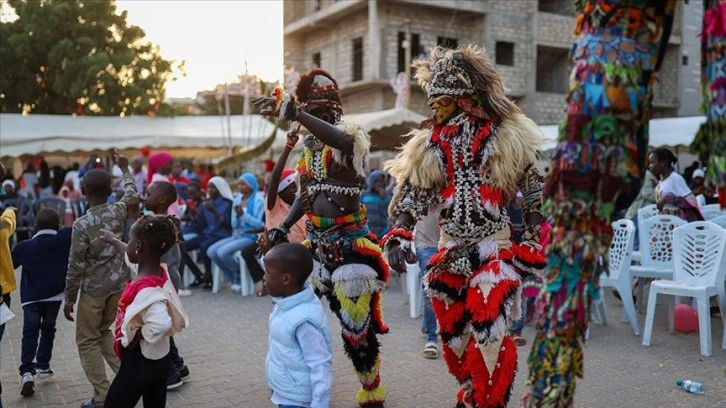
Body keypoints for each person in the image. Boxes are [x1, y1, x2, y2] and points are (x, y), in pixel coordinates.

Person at [383, 45, 546, 407]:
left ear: (464, 100)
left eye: (440, 101)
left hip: (495, 248)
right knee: (454, 339)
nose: (433, 108)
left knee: (490, 331)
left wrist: (532, 239)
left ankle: (491, 401)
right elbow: (412, 195)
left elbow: (533, 190)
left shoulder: (505, 136)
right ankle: (472, 392)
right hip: (449, 250)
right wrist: (399, 232)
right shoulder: (430, 144)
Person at [253, 68, 389, 407]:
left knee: (356, 329)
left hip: (350, 249)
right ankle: (290, 379)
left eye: (323, 114)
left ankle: (370, 388)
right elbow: (306, 193)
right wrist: (283, 227)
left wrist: (296, 112)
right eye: (312, 113)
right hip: (314, 246)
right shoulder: (309, 152)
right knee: (289, 310)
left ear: (336, 114)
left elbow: (340, 140)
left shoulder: (351, 141)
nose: (318, 120)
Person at [63, 151, 138, 408]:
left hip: (93, 291)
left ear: (83, 190)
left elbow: (76, 265)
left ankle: (103, 395)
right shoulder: (119, 210)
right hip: (118, 286)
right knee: (106, 333)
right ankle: (126, 383)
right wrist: (125, 169)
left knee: (87, 340)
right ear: (110, 190)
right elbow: (132, 194)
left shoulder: (82, 225)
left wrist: (69, 298)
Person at [101, 215, 188, 408]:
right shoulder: (156, 271)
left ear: (139, 246)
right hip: (161, 361)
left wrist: (135, 334)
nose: (128, 244)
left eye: (130, 240)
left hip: (140, 363)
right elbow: (131, 257)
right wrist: (114, 241)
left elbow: (160, 323)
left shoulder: (147, 289)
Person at [263, 243, 333, 408]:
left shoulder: (304, 320)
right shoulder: (287, 303)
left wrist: (320, 404)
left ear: (286, 279)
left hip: (298, 401)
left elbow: (320, 363)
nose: (264, 277)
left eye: (267, 272)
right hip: (287, 391)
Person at [12, 208, 71, 396]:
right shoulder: (64, 238)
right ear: (59, 225)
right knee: (48, 329)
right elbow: (76, 228)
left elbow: (10, 263)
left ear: (36, 226)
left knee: (29, 332)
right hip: (54, 297)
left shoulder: (24, 247)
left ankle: (27, 371)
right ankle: (43, 365)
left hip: (30, 298)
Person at [142, 181, 192, 387]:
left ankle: (170, 374)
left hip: (162, 281)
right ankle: (178, 365)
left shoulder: (157, 226)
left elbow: (141, 249)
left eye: (148, 194)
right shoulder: (165, 221)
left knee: (160, 327)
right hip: (168, 280)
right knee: (165, 325)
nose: (144, 197)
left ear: (162, 199)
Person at [207, 173, 265, 294]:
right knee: (211, 251)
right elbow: (233, 225)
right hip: (238, 235)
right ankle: (235, 275)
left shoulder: (259, 201)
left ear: (251, 185)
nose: (240, 187)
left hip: (251, 236)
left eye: (243, 184)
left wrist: (243, 215)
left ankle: (238, 277)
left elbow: (259, 225)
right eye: (239, 184)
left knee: (222, 252)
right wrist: (237, 216)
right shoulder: (237, 200)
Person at [181, 176, 233, 288]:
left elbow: (229, 224)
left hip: (222, 235)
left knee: (204, 246)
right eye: (208, 187)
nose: (209, 190)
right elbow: (201, 224)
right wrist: (195, 216)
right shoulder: (206, 203)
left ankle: (209, 277)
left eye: (212, 187)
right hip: (207, 234)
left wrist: (214, 211)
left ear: (219, 189)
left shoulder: (228, 203)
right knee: (181, 247)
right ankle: (198, 274)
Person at [264, 129, 308, 245]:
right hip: (282, 258)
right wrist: (288, 146)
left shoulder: (301, 207)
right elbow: (274, 178)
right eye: (293, 188)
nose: (297, 191)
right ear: (280, 191)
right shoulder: (274, 207)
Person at [649, 148, 704, 222]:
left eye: (652, 163)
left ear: (662, 163)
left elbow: (692, 201)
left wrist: (667, 199)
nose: (650, 166)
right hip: (664, 224)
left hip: (677, 224)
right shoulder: (661, 181)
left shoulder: (675, 178)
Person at [414, 212, 440, 359]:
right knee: (430, 289)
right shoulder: (417, 190)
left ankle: (427, 324)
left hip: (449, 244)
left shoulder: (456, 189)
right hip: (425, 244)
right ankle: (432, 338)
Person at [146, 151, 180, 217]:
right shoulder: (159, 181)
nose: (172, 166)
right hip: (168, 216)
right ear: (161, 164)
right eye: (170, 164)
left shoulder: (162, 178)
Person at [360, 170, 392, 239]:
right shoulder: (364, 195)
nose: (379, 184)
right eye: (377, 181)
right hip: (366, 232)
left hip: (382, 232)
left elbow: (387, 214)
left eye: (381, 182)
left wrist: (383, 199)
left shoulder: (386, 196)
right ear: (372, 181)